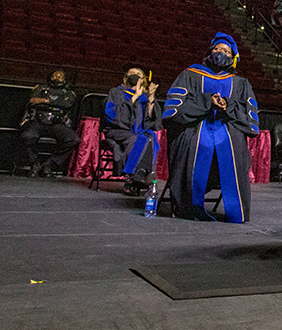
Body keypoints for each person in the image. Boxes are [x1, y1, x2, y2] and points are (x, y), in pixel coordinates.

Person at [162, 34, 260, 223]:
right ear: (209, 52)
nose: (220, 53)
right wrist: (207, 102)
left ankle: (235, 211)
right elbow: (173, 112)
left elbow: (251, 123)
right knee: (197, 144)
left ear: (233, 57)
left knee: (234, 146)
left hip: (227, 131)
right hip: (194, 130)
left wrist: (228, 105)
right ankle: (190, 206)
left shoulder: (241, 83)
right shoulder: (189, 75)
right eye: (217, 49)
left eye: (226, 51)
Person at [102, 63, 161, 195]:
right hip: (118, 130)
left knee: (151, 138)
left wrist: (151, 99)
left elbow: (151, 122)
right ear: (126, 77)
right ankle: (135, 177)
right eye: (131, 74)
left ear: (143, 79)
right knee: (140, 139)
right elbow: (113, 116)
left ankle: (138, 175)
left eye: (138, 74)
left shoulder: (145, 96)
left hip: (139, 132)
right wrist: (134, 97)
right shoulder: (116, 92)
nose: (134, 76)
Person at [20, 69, 80, 177]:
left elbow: (67, 104)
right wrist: (55, 105)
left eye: (60, 77)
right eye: (54, 76)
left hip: (57, 124)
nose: (57, 78)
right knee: (28, 136)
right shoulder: (40, 88)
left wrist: (44, 101)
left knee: (73, 139)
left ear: (64, 80)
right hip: (38, 122)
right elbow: (33, 101)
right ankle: (34, 164)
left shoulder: (68, 92)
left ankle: (49, 164)